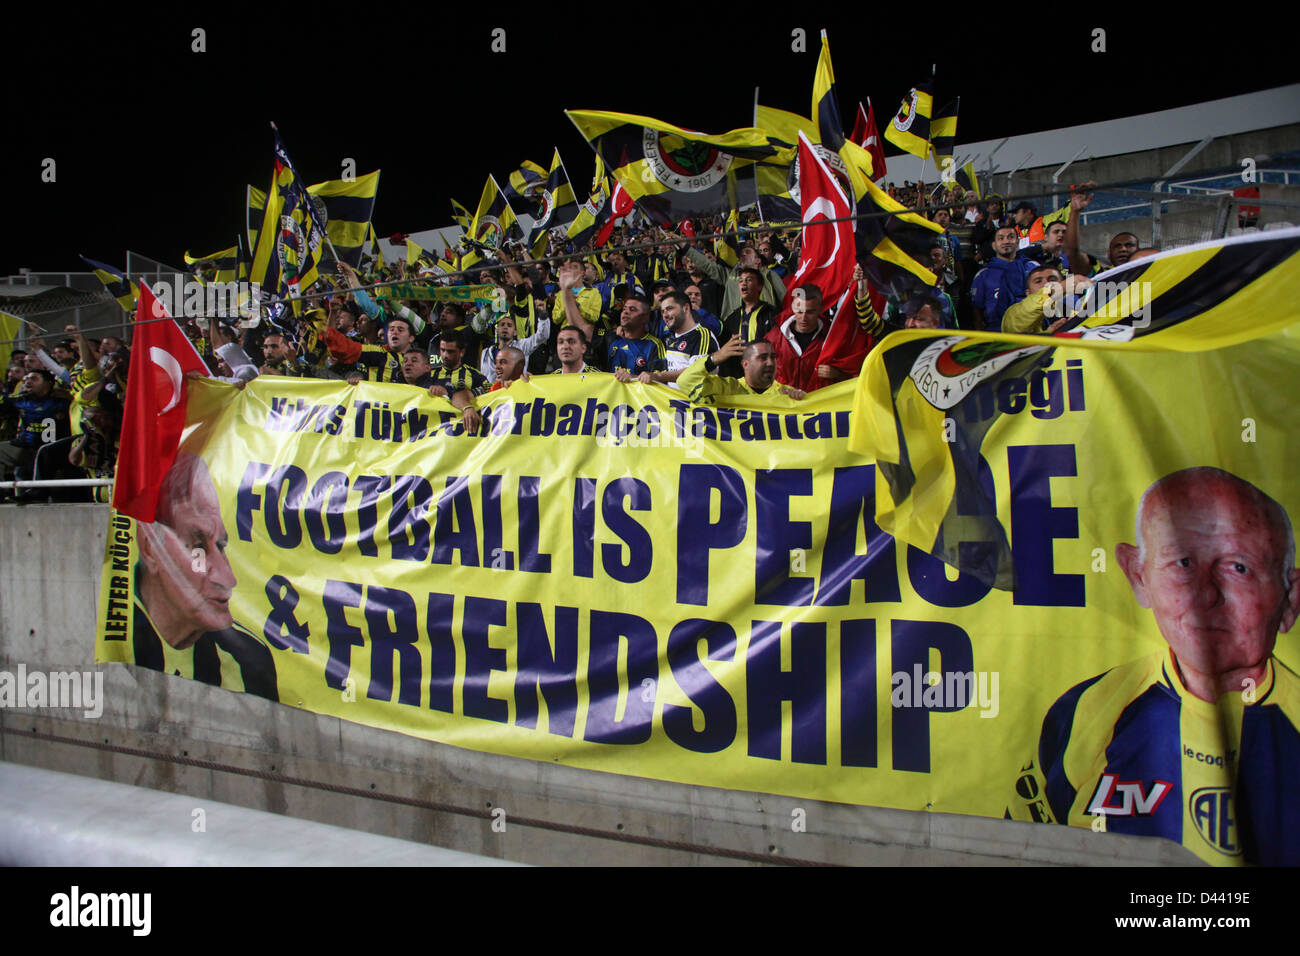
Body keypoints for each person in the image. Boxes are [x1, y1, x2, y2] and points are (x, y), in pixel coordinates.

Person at [1008, 467, 1300, 865]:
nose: (1204, 595)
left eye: (1238, 567)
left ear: (1290, 599)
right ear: (1138, 576)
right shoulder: (1084, 713)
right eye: (1182, 563)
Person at [133, 452, 278, 700]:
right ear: (150, 547)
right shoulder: (114, 631)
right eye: (198, 547)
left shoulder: (250, 658)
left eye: (221, 546)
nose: (228, 578)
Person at [679, 339, 806, 404]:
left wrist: (802, 400)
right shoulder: (726, 389)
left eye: (773, 357)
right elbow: (685, 382)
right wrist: (715, 358)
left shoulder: (786, 393)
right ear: (745, 364)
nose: (770, 362)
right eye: (762, 358)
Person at [970, 226, 1040, 331]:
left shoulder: (1033, 268)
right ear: (994, 245)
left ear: (1017, 242)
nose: (1006, 241)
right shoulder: (983, 275)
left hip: (1032, 330)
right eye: (1001, 238)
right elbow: (976, 310)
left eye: (1010, 237)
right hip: (996, 332)